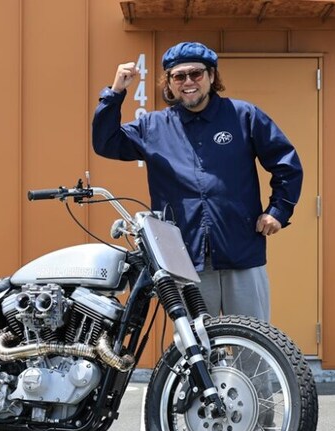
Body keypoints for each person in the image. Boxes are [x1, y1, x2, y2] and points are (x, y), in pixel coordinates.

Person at [92, 41, 303, 321]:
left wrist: (278, 211)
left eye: (196, 73)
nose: (188, 82)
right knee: (195, 342)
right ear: (169, 82)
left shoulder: (244, 116)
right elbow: (106, 143)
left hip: (241, 251)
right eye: (179, 76)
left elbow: (286, 163)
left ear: (212, 76)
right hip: (185, 259)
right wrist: (116, 92)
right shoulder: (153, 127)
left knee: (253, 339)